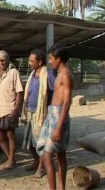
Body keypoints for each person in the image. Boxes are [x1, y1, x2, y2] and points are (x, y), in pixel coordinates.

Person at [36, 43, 73, 190]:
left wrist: (58, 127)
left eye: (51, 58)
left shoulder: (66, 75)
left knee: (47, 156)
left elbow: (67, 102)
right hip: (53, 114)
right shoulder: (59, 73)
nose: (49, 61)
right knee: (60, 155)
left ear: (58, 59)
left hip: (59, 117)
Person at [21, 49, 56, 178]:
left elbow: (54, 92)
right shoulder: (32, 75)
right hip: (30, 111)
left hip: (41, 114)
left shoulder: (48, 75)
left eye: (31, 60)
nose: (29, 62)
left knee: (40, 144)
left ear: (39, 62)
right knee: (29, 142)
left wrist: (51, 111)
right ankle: (36, 162)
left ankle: (42, 168)